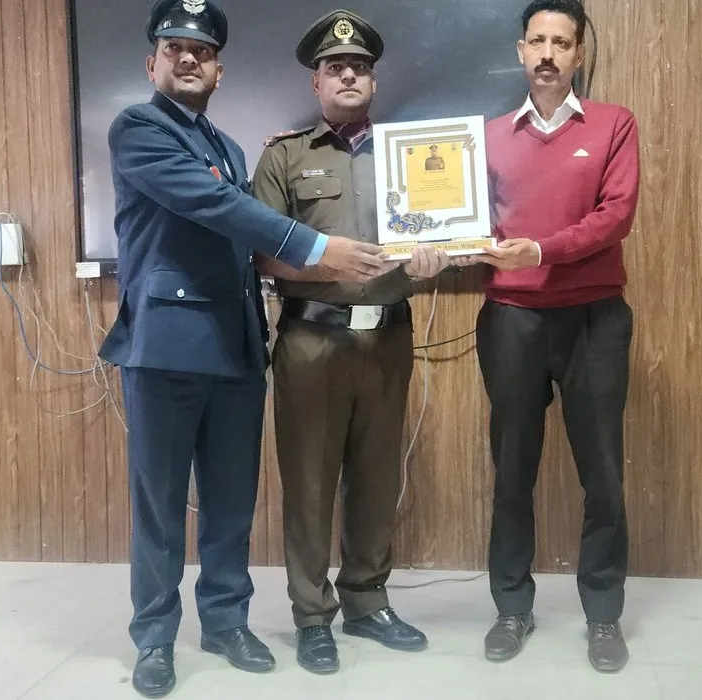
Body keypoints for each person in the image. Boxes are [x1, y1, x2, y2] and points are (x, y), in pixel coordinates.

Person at [99, 1, 391, 696]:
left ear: (219, 71)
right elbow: (219, 208)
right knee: (160, 507)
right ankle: (154, 638)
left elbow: (241, 240)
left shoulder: (231, 150)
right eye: (175, 48)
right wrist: (317, 247)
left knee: (231, 504)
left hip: (236, 348)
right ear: (152, 63)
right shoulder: (138, 128)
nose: (188, 58)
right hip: (165, 348)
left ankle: (226, 622)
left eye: (202, 51)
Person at [252, 9, 449, 675]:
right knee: (309, 484)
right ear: (316, 82)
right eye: (335, 66)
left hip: (388, 340)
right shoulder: (285, 155)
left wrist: (438, 256)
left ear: (373, 80)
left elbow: (445, 231)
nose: (347, 75)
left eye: (359, 66)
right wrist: (323, 263)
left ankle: (367, 601)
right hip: (312, 341)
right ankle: (313, 616)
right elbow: (260, 255)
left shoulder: (413, 155)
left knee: (376, 477)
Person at [470, 0, 640, 673]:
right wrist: (431, 246)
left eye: (561, 43)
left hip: (594, 318)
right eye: (536, 41)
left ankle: (603, 615)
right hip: (511, 318)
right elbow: (464, 223)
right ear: (520, 51)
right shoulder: (485, 137)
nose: (547, 54)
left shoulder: (613, 124)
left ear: (578, 54)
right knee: (513, 470)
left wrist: (540, 250)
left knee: (602, 473)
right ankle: (512, 607)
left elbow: (616, 215)